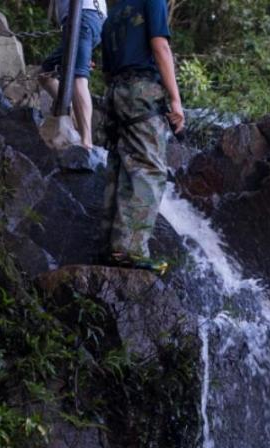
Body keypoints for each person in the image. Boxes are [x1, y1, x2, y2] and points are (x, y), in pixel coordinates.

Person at [99, 0, 185, 273]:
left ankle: (110, 245)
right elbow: (160, 46)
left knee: (121, 165)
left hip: (115, 93)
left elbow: (106, 71)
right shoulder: (153, 1)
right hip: (142, 90)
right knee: (149, 168)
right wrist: (175, 100)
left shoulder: (114, 14)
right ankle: (131, 248)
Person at [40, 0, 107, 150]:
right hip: (79, 20)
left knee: (78, 78)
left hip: (83, 16)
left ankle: (86, 142)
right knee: (45, 74)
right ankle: (69, 106)